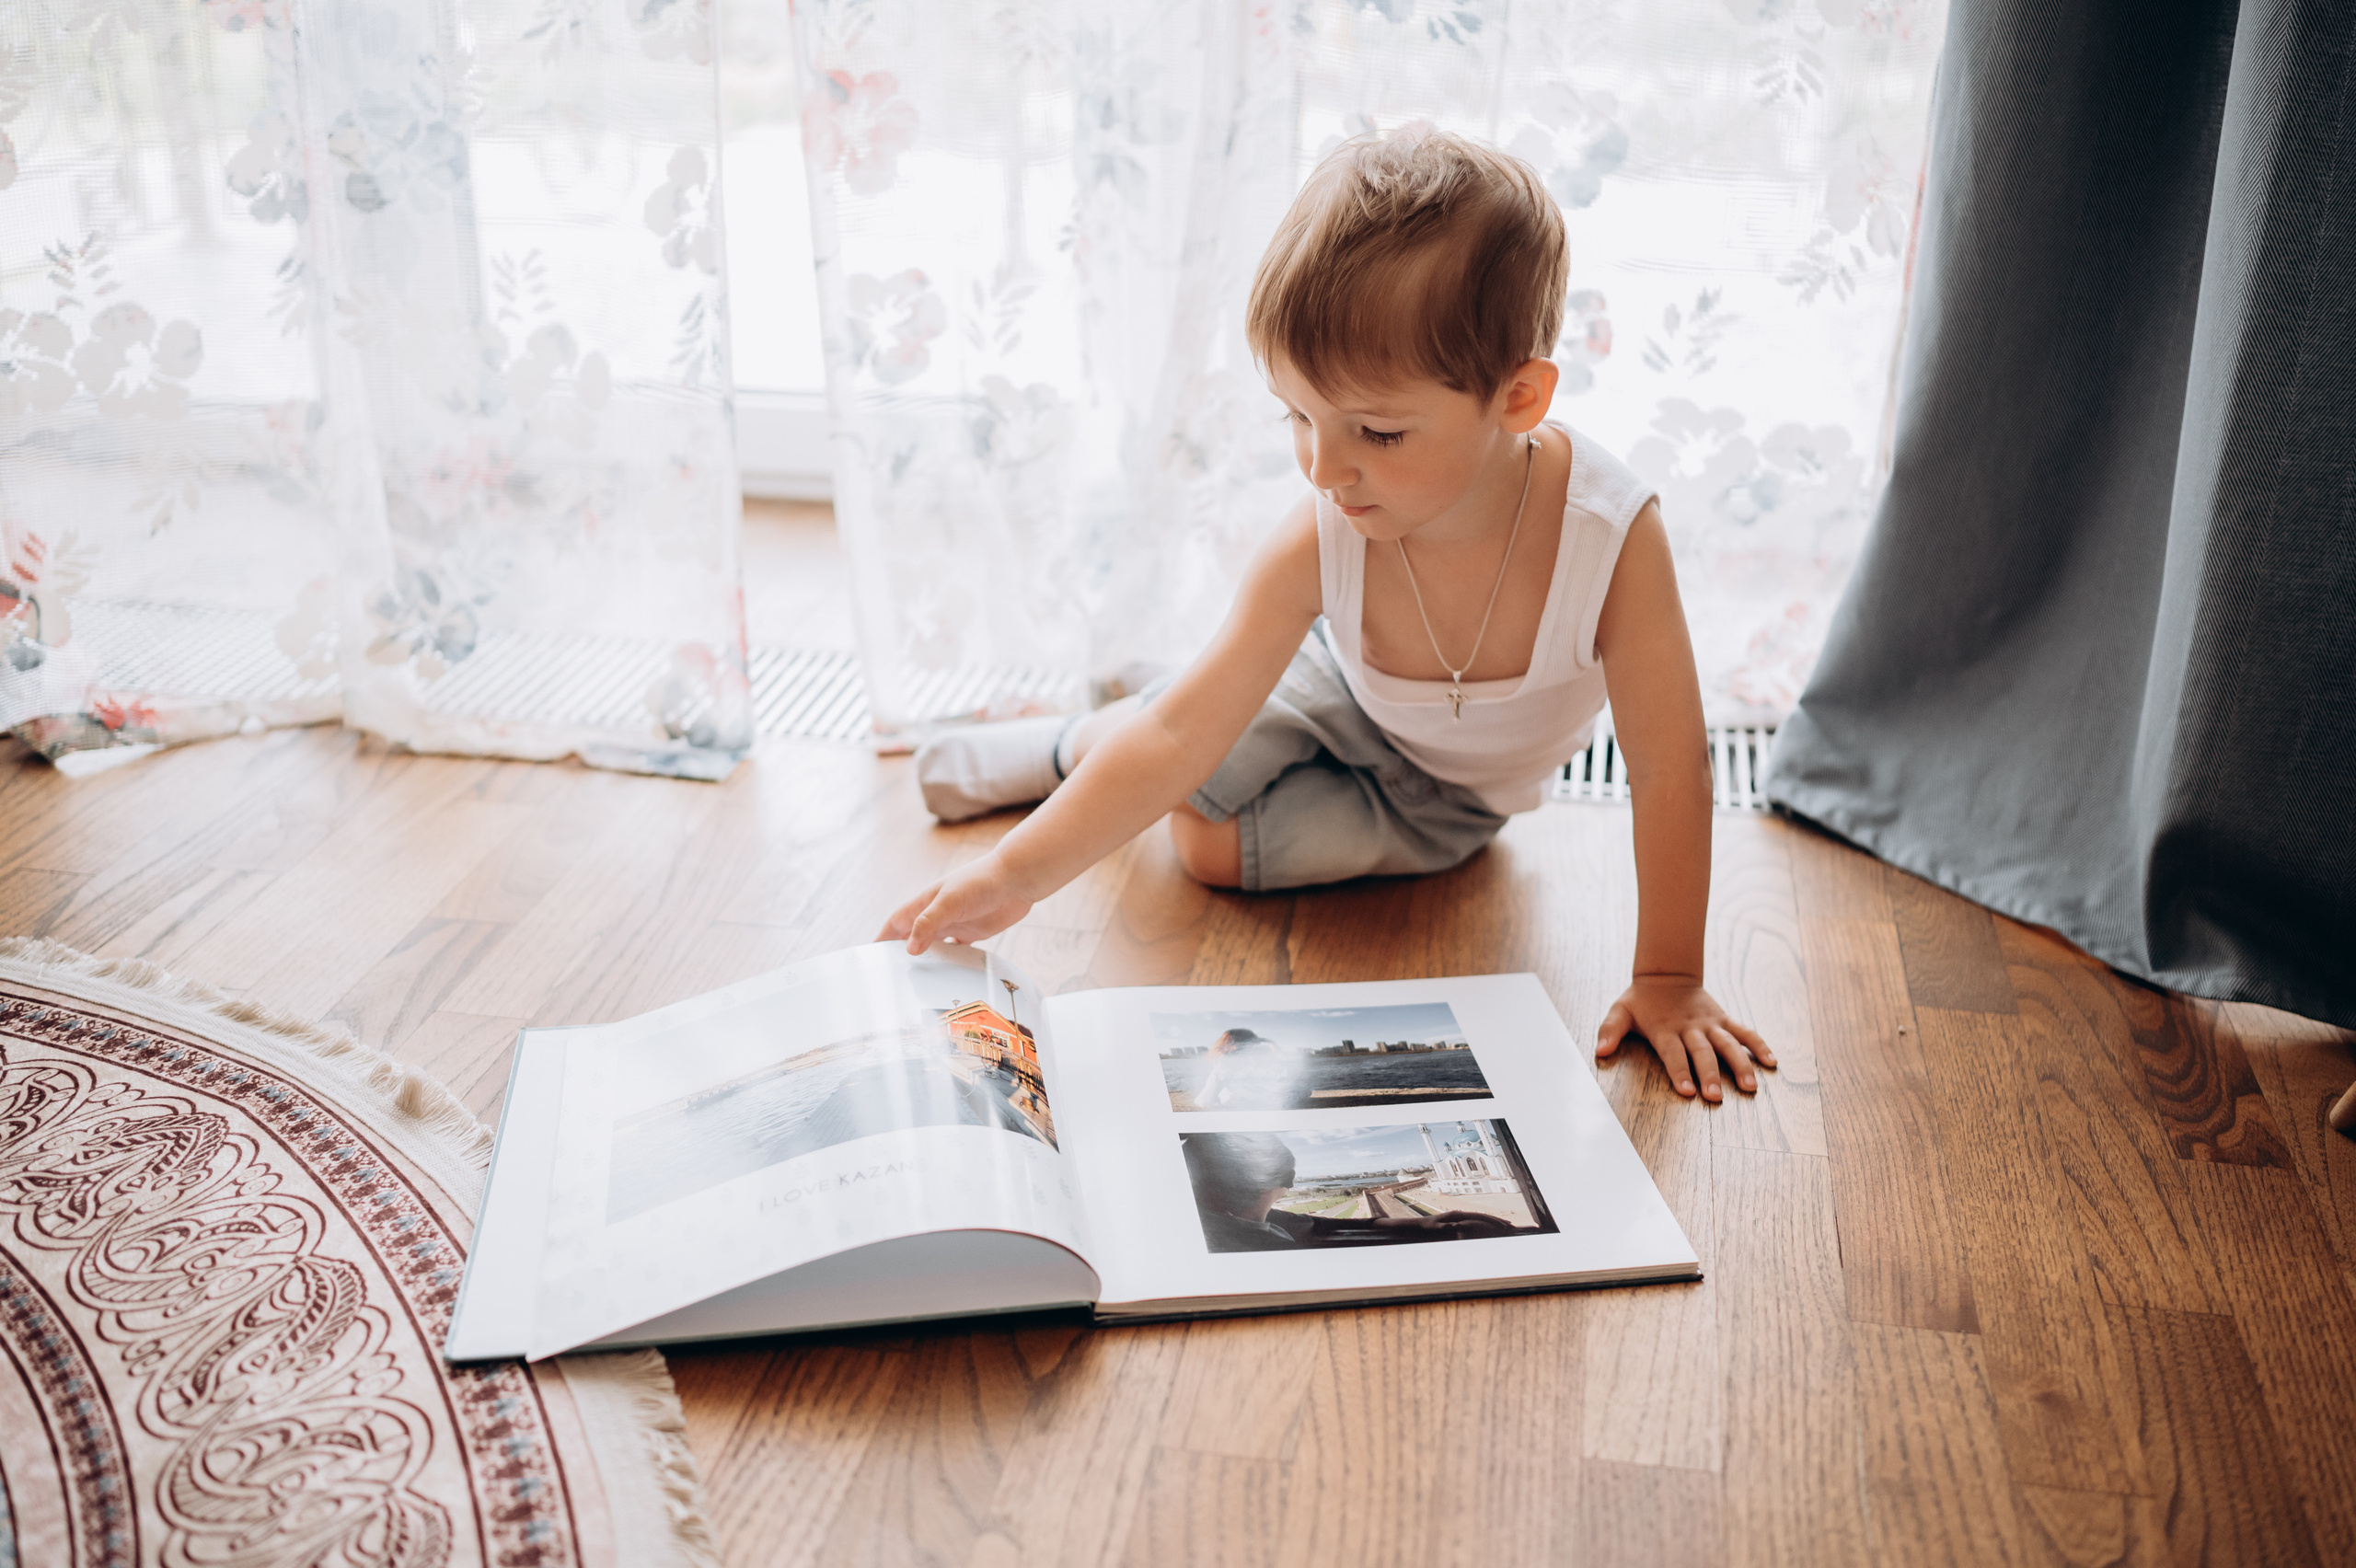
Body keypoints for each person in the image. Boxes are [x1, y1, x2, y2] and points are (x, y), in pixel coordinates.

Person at [884, 128, 1773, 1105]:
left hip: (1450, 806)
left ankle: (1103, 734)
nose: (1322, 467)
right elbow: (1182, 734)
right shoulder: (1326, 529)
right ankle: (1070, 743)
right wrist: (1011, 878)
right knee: (1184, 740)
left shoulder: (1613, 539)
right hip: (1330, 686)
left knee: (1204, 846)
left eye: (1376, 432)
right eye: (1296, 417)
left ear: (1516, 398)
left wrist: (1668, 978)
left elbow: (1669, 768)